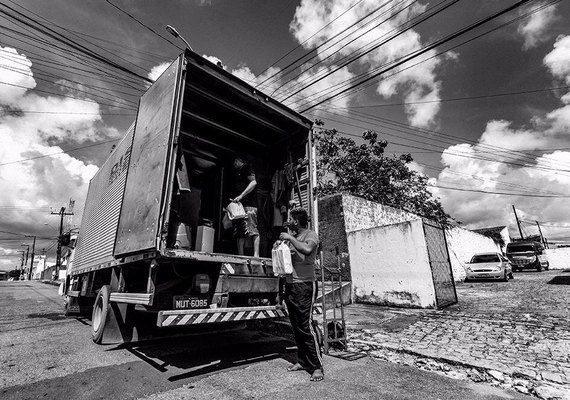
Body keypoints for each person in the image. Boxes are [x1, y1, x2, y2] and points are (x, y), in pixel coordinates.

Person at [279, 207, 324, 382]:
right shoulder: (293, 239)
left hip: (305, 285)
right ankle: (303, 361)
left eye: (290, 219)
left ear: (296, 222)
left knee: (306, 327)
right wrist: (281, 245)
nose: (288, 222)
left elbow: (306, 250)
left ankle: (317, 367)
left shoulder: (310, 235)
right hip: (291, 286)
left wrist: (289, 237)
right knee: (296, 326)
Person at [229, 156, 259, 257]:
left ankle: (256, 255)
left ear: (238, 160)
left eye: (234, 162)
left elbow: (253, 182)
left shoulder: (246, 168)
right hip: (240, 207)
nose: (234, 164)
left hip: (249, 205)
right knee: (239, 231)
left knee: (252, 229)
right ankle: (240, 255)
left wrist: (241, 195)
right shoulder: (238, 172)